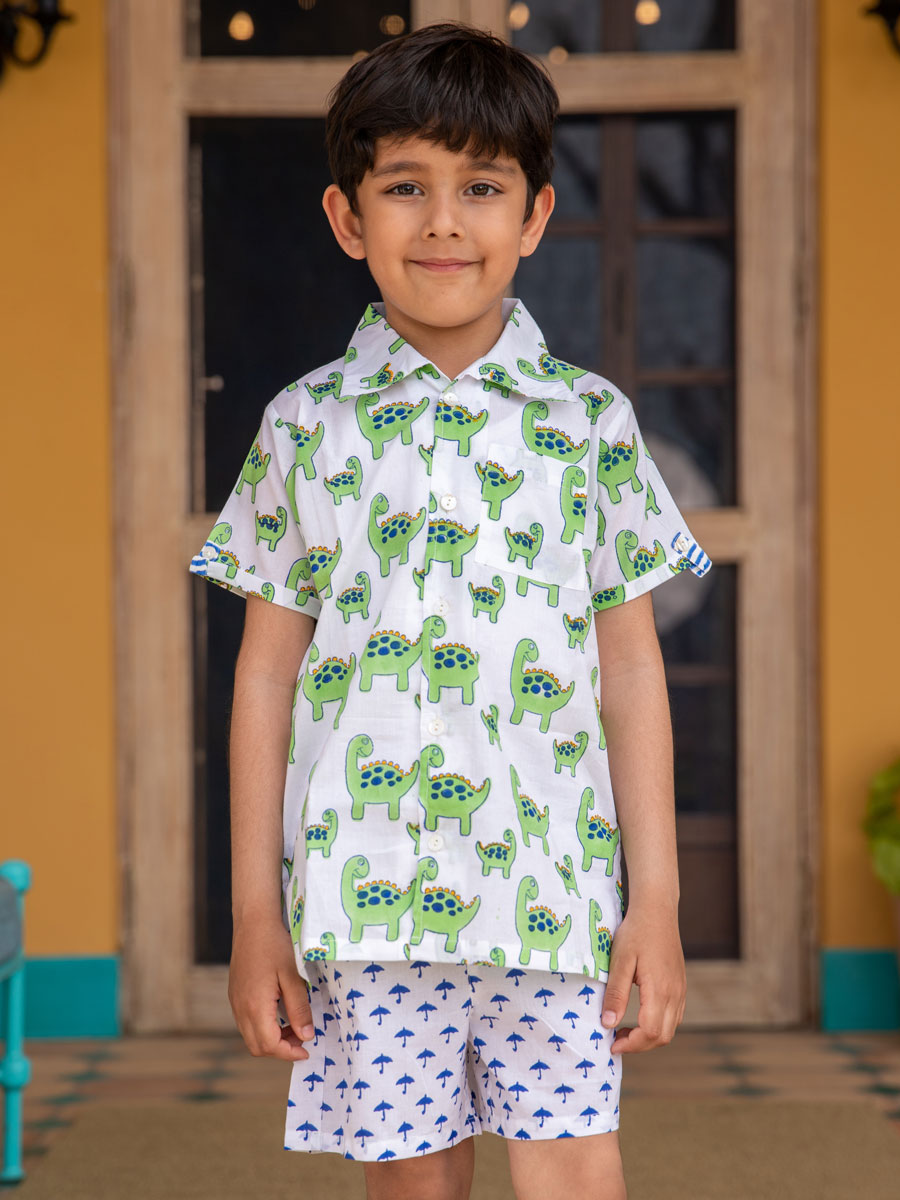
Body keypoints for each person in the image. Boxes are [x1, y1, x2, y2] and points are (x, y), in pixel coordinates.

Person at [188, 20, 712, 1200]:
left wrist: (659, 903)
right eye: (404, 187)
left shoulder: (590, 424)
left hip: (555, 889)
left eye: (481, 188)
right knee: (413, 1179)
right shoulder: (302, 427)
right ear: (347, 218)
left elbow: (633, 674)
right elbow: (264, 676)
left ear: (534, 216)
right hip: (365, 896)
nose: (441, 222)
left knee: (574, 1169)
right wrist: (254, 913)